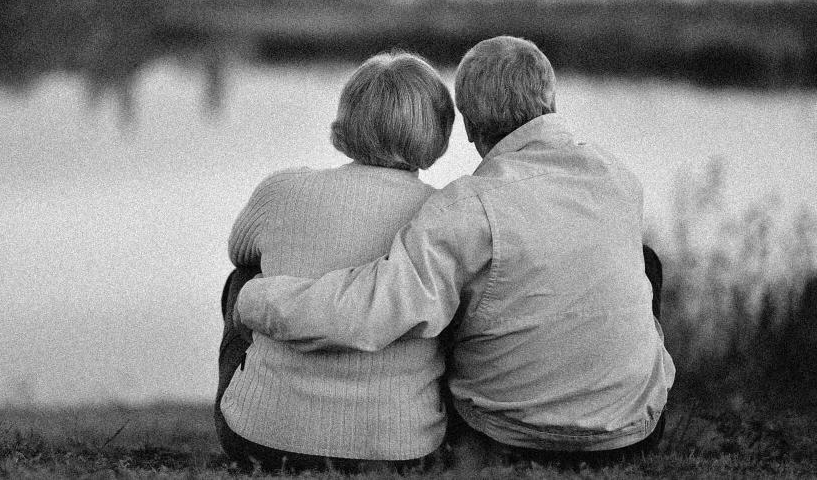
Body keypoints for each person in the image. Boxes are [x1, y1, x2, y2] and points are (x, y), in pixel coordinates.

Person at [235, 36, 676, 467]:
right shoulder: (619, 178)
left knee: (451, 295)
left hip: (507, 434)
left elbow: (376, 309)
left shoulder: (468, 206)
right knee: (644, 262)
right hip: (632, 433)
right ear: (552, 100)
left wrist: (256, 298)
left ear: (468, 127)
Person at [216, 51, 456, 473]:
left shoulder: (282, 190)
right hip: (401, 452)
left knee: (244, 278)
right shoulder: (443, 215)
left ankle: (266, 402)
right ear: (438, 132)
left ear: (346, 120)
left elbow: (240, 251)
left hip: (261, 442)